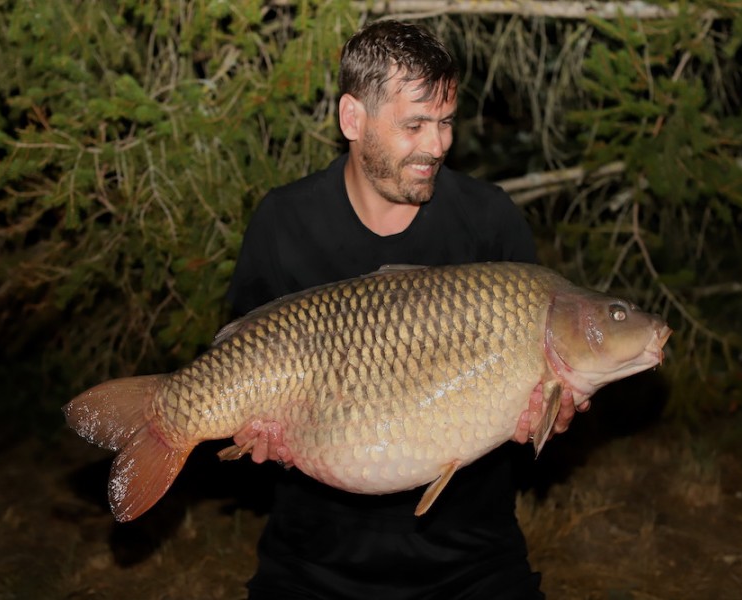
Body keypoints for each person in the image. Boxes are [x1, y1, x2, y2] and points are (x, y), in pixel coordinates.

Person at [226, 19, 584, 600]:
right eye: (414, 125)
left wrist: (553, 416)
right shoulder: (283, 223)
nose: (438, 145)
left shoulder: (490, 221)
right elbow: (240, 371)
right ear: (352, 119)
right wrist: (255, 435)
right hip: (314, 560)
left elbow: (540, 420)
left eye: (445, 124)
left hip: (471, 558)